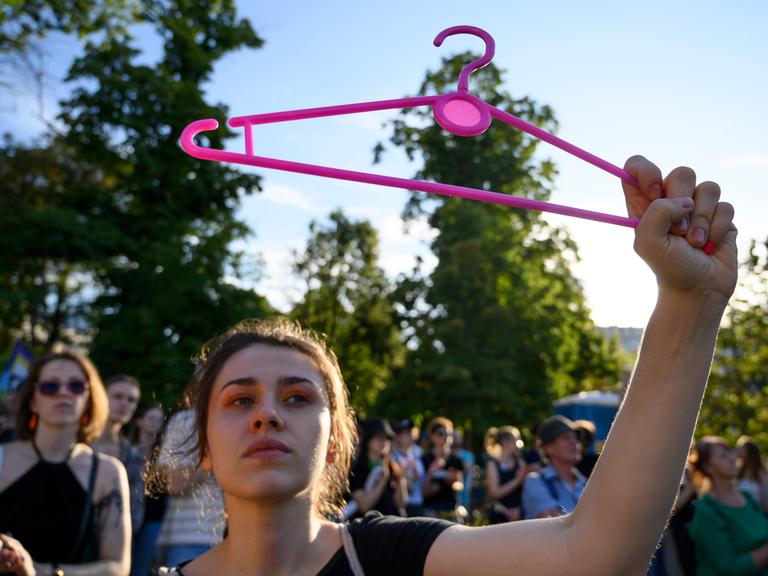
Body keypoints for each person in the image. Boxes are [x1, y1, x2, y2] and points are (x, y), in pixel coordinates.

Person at [159, 156, 739, 575]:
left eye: (296, 397)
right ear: (202, 443)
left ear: (337, 441)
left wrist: (689, 307)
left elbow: (595, 555)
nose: (266, 415)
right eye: (239, 400)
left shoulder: (393, 558)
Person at [0, 351, 131, 576]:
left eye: (76, 386)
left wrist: (39, 571)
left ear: (89, 398)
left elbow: (117, 568)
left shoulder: (107, 472)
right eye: (50, 387)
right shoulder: (2, 457)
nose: (63, 393)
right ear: (33, 400)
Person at [155, 404, 225, 568]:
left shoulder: (241, 418)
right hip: (190, 539)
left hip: (228, 542)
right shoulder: (185, 420)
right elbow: (175, 484)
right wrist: (217, 454)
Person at [689, 436, 768, 575]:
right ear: (707, 467)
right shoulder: (707, 511)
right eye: (723, 456)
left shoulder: (747, 498)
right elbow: (729, 567)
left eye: (731, 452)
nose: (732, 458)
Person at [91, 375, 146, 537]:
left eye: (131, 400)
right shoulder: (74, 443)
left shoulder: (134, 457)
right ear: (101, 397)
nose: (124, 404)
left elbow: (135, 512)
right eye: (118, 396)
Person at [522, 415, 586, 519]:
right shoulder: (535, 481)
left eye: (575, 438)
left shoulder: (585, 483)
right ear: (548, 448)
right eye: (566, 438)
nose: (574, 442)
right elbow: (556, 523)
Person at [130, 404, 168, 576]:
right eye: (151, 418)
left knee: (141, 567)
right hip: (127, 515)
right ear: (139, 421)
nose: (155, 423)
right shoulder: (126, 449)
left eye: (159, 420)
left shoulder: (164, 453)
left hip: (152, 516)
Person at [348, 419, 406, 518]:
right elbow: (364, 506)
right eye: (380, 437)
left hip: (392, 525)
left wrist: (401, 478)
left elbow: (400, 504)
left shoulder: (392, 467)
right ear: (368, 440)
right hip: (369, 527)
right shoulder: (356, 470)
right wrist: (383, 480)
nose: (385, 442)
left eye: (387, 438)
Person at [421, 417, 464, 521]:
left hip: (451, 509)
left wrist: (453, 483)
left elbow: (460, 485)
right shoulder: (424, 459)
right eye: (441, 434)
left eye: (449, 434)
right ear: (432, 436)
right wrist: (432, 473)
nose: (445, 437)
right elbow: (422, 491)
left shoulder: (456, 460)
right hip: (431, 511)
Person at [484, 426, 527, 523]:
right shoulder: (492, 463)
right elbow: (494, 493)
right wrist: (517, 481)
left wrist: (520, 509)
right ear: (504, 442)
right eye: (515, 441)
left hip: (519, 515)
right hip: (499, 516)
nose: (518, 445)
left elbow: (526, 490)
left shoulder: (519, 462)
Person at [390, 418, 426, 517]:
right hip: (403, 507)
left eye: (411, 431)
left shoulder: (418, 453)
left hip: (418, 505)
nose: (410, 435)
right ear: (398, 436)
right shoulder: (392, 457)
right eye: (406, 433)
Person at [736, 435, 768, 513]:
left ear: (749, 451)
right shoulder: (737, 471)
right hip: (741, 511)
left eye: (741, 448)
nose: (738, 450)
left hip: (758, 512)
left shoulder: (760, 472)